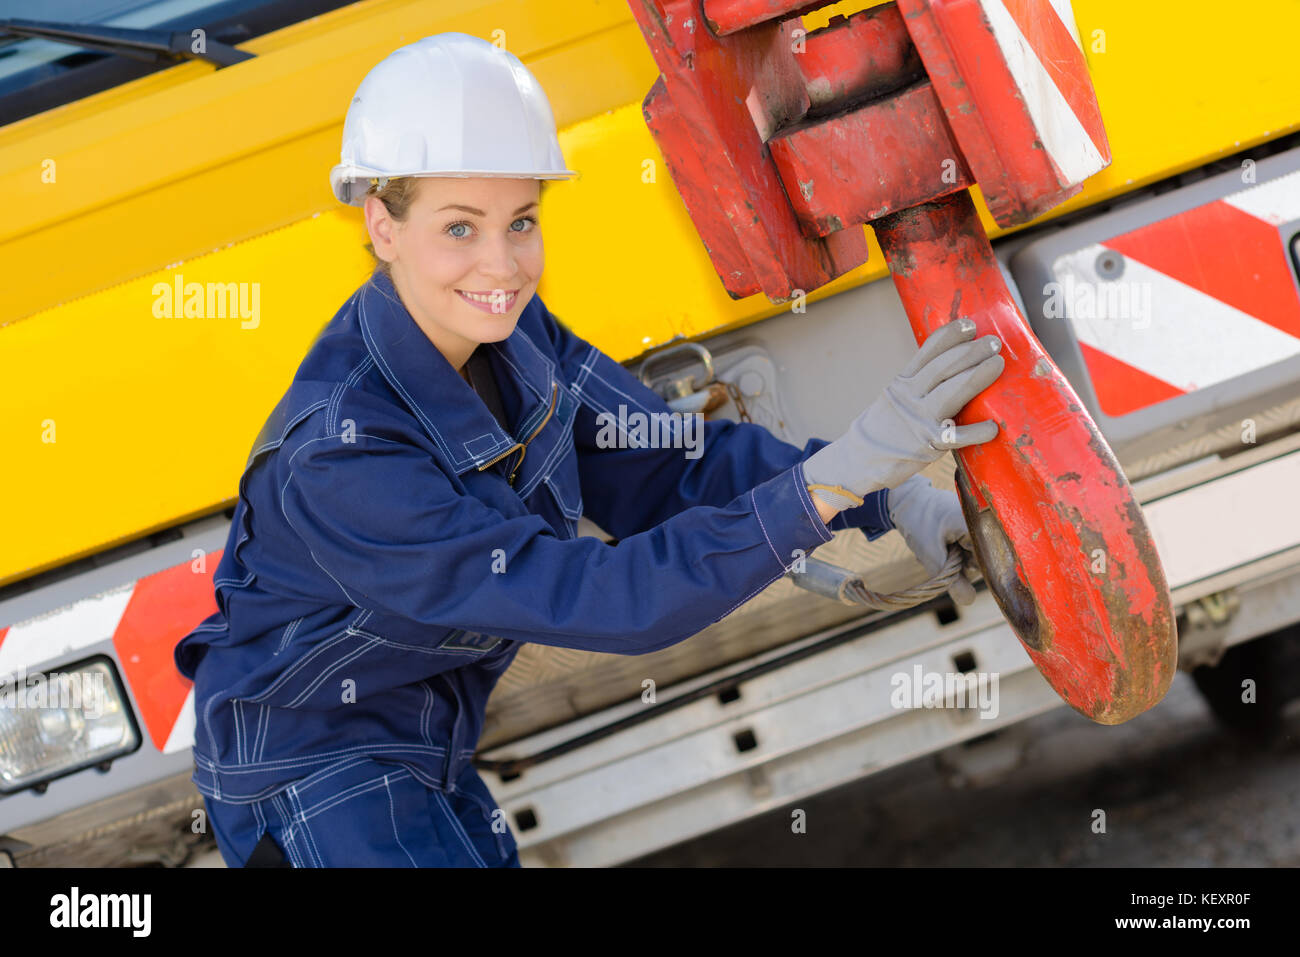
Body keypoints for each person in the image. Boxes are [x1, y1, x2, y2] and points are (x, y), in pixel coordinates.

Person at [174, 32, 1005, 868]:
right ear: (381, 225)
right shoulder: (343, 458)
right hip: (313, 770)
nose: (500, 264)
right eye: (458, 227)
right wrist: (822, 488)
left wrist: (882, 495)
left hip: (419, 733)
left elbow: (667, 466)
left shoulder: (512, 334)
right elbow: (603, 600)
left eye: (520, 221)